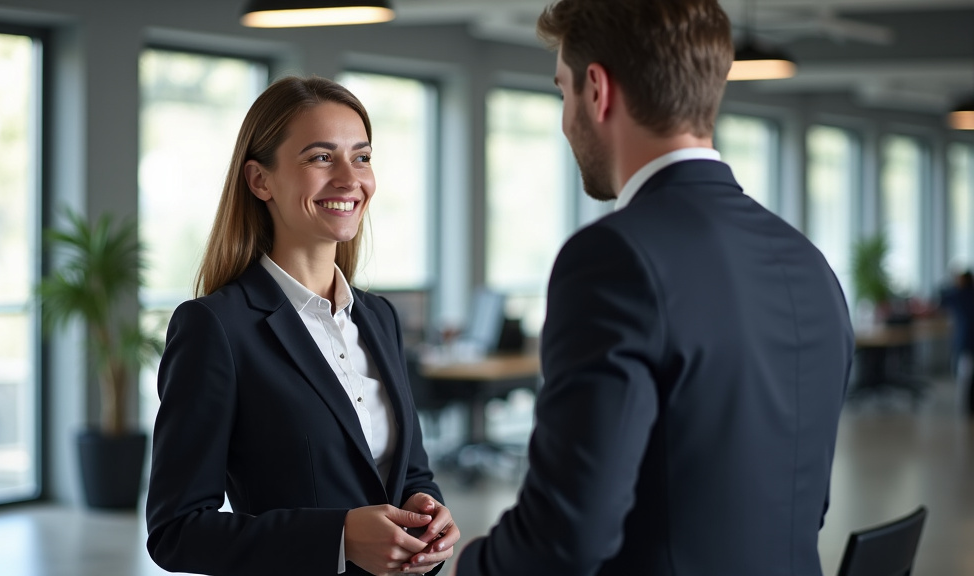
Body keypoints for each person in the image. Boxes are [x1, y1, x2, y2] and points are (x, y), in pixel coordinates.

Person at [453, 1, 854, 575]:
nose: (566, 118)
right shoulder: (806, 260)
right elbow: (800, 506)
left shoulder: (612, 259)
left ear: (597, 90)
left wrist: (471, 566)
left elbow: (566, 536)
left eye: (563, 90)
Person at [146, 76, 459, 576]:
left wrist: (429, 514)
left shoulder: (379, 318)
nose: (349, 178)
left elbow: (410, 470)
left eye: (361, 156)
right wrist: (340, 539)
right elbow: (177, 531)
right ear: (259, 180)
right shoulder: (216, 328)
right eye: (320, 158)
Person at [938, 270, 974, 414]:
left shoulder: (959, 294)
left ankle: (966, 405)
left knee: (964, 374)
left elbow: (942, 299)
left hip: (966, 339)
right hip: (968, 339)